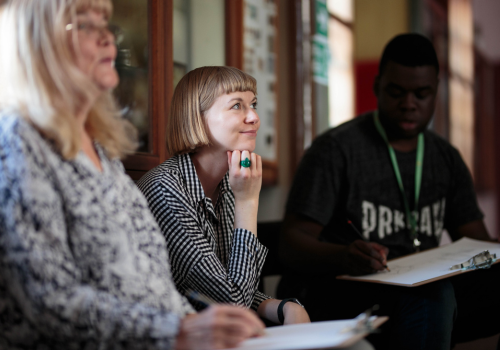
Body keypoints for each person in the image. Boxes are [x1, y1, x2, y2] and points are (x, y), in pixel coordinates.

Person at [0, 1, 265, 349]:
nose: (109, 37)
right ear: (37, 43)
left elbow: (154, 283)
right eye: (84, 25)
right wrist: (180, 331)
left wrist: (193, 326)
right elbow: (46, 300)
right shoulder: (17, 141)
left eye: (106, 23)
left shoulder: (102, 153)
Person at [278, 33, 500, 350]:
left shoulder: (445, 158)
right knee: (432, 295)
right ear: (377, 86)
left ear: (436, 91)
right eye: (397, 92)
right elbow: (291, 242)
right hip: (347, 291)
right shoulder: (336, 150)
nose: (409, 104)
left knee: (439, 293)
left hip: (422, 287)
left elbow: (478, 243)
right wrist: (343, 255)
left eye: (421, 94)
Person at [137, 66, 311, 326]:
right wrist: (248, 202)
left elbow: (233, 283)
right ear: (197, 117)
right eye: (236, 106)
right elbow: (232, 302)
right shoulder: (165, 190)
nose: (254, 116)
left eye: (253, 104)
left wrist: (284, 307)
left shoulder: (229, 185)